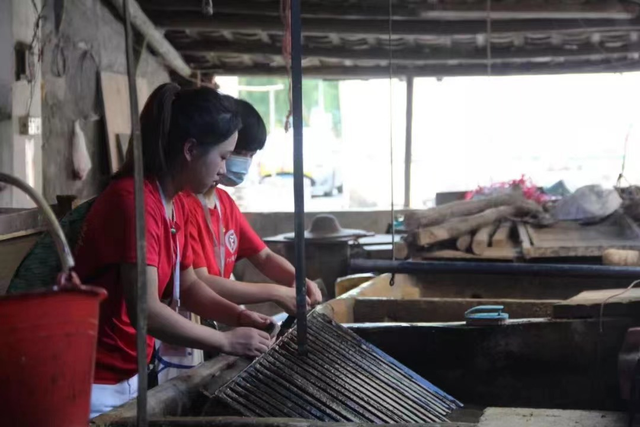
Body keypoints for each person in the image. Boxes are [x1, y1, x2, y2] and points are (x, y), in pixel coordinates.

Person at [74, 83, 274, 418]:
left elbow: (191, 285)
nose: (224, 170)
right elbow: (146, 310)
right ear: (190, 149)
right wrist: (225, 341)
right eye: (222, 157)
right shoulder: (135, 202)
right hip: (96, 378)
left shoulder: (176, 202)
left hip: (131, 369)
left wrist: (238, 317)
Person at [184, 98, 323, 315]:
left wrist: (298, 280)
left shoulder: (224, 203)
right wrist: (275, 292)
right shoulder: (183, 204)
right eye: (236, 154)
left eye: (251, 155)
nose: (244, 162)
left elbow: (264, 257)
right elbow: (200, 281)